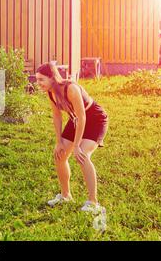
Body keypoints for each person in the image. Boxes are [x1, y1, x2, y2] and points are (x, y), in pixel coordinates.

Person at [36, 62, 108, 212]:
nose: (38, 83)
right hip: (76, 120)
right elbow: (57, 117)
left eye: (41, 79)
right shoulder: (51, 92)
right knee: (60, 155)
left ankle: (93, 202)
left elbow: (83, 117)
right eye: (37, 79)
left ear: (52, 77)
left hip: (95, 119)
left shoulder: (71, 88)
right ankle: (65, 196)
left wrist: (76, 146)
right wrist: (58, 142)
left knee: (82, 154)